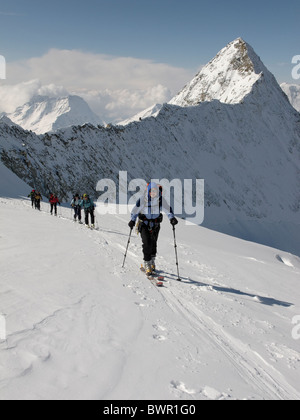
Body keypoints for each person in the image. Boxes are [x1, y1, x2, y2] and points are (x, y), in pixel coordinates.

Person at [128, 182, 178, 275]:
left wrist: (172, 218)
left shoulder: (160, 200)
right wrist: (132, 220)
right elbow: (135, 211)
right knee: (146, 243)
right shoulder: (143, 200)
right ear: (148, 191)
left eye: (155, 191)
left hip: (155, 225)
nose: (153, 193)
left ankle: (152, 261)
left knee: (153, 244)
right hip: (144, 225)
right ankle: (147, 262)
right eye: (151, 191)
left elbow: (168, 209)